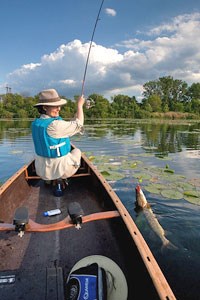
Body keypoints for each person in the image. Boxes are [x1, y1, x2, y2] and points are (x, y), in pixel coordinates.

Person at [31, 88, 85, 181]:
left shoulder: (36, 123)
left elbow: (71, 123)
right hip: (60, 171)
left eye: (59, 106)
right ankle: (61, 178)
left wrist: (76, 113)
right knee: (77, 151)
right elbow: (79, 125)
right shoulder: (55, 125)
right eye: (55, 106)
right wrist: (80, 105)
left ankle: (49, 180)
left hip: (41, 171)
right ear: (44, 107)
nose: (59, 109)